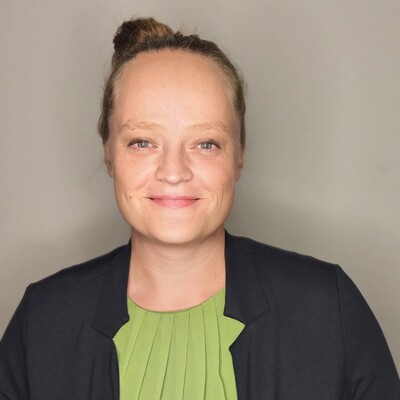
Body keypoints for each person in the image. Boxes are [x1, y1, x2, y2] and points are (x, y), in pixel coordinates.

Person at [0, 16, 399, 400]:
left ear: (238, 156)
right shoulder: (42, 321)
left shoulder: (327, 309)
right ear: (109, 153)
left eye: (206, 143)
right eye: (143, 142)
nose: (174, 172)